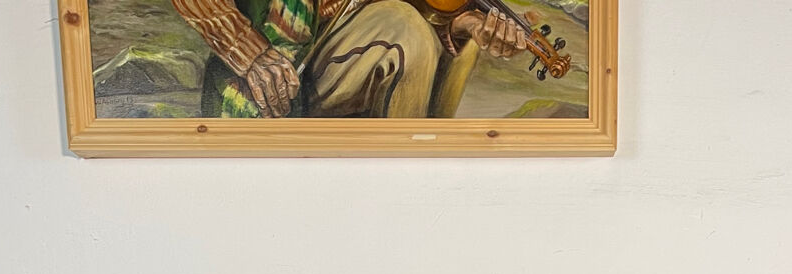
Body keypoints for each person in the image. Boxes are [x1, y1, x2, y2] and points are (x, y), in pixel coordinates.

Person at [171, 0, 528, 119]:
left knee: (440, 40)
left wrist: (461, 24)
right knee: (407, 29)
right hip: (273, 58)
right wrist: (250, 52)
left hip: (337, 50)